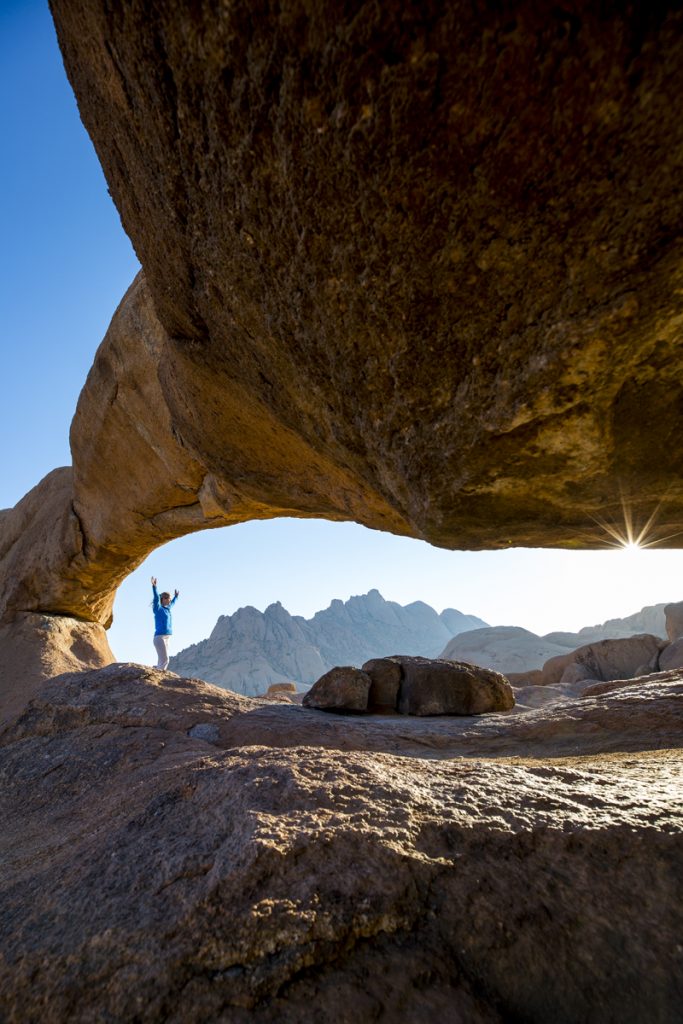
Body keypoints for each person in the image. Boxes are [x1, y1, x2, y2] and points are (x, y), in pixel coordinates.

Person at [151, 576, 179, 670]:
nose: (170, 600)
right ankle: (159, 676)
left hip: (168, 637)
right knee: (165, 659)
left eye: (170, 599)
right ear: (163, 599)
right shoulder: (158, 609)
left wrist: (176, 597)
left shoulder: (168, 608)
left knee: (162, 660)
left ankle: (157, 672)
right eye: (169, 599)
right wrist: (154, 587)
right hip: (160, 637)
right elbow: (155, 598)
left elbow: (173, 603)